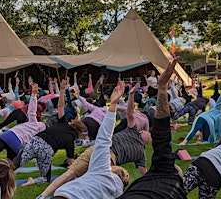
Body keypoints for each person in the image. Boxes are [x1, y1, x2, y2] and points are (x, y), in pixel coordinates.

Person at [38, 83, 150, 198]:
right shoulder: (140, 153)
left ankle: (43, 195)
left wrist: (113, 104)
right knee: (84, 175)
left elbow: (106, 135)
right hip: (103, 150)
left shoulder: (131, 134)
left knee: (71, 173)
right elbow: (143, 171)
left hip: (101, 149)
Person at [118, 57, 186, 199]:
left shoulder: (141, 153)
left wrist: (162, 88)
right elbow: (161, 132)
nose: (144, 132)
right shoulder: (164, 173)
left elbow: (160, 131)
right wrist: (161, 89)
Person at [52, 81, 130, 199]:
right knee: (94, 141)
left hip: (88, 122)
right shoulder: (115, 193)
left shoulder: (101, 169)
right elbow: (120, 112)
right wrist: (122, 107)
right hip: (95, 126)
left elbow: (104, 139)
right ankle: (87, 139)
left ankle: (86, 139)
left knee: (96, 142)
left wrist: (78, 96)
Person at [13, 79, 86, 186]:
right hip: (46, 150)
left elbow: (61, 107)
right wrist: (81, 174)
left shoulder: (64, 122)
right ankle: (33, 181)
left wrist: (61, 91)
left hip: (36, 140)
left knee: (15, 164)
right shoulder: (70, 140)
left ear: (72, 124)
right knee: (45, 178)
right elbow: (71, 162)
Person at [0, 83, 46, 159]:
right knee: (9, 166)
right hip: (17, 143)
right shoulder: (38, 135)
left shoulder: (33, 122)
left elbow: (32, 110)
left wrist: (33, 95)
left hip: (8, 135)